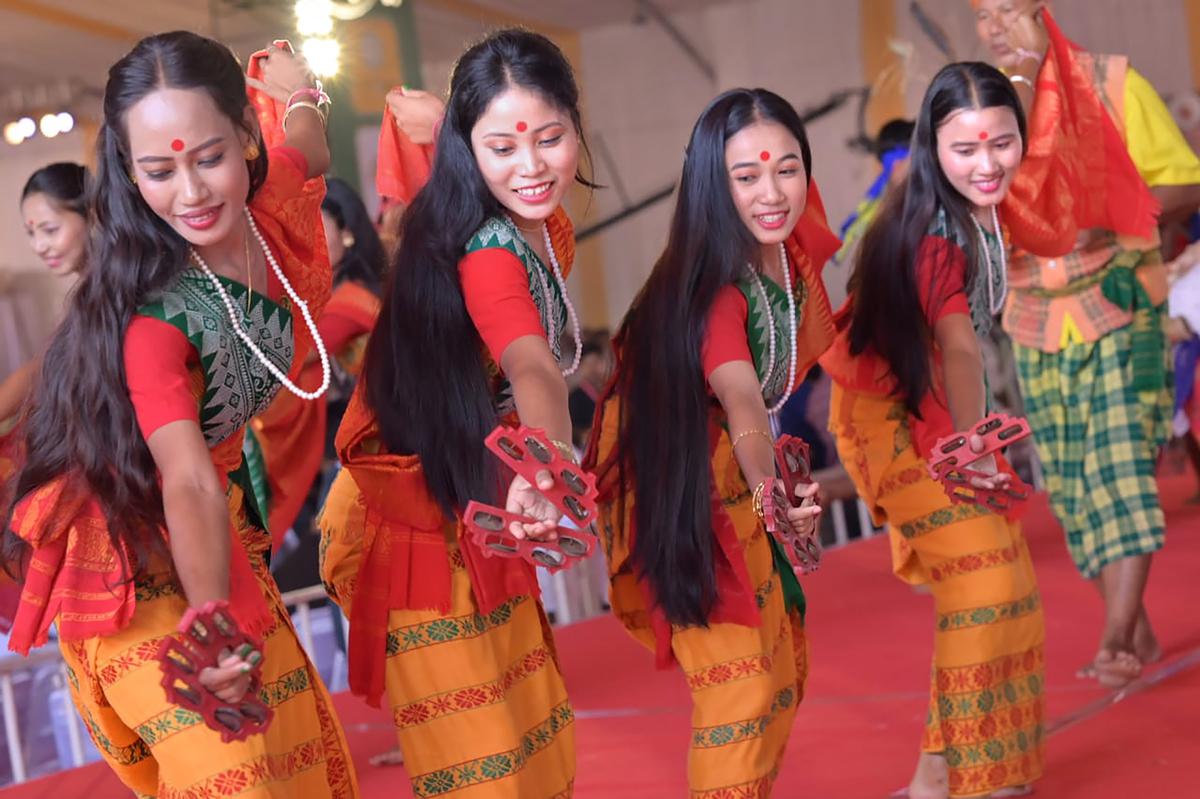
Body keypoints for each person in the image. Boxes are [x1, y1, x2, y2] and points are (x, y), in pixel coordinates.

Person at [1, 32, 358, 797]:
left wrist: (299, 90)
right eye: (159, 170)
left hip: (207, 532)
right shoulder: (152, 321)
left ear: (247, 139)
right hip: (133, 562)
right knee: (234, 777)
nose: (191, 192)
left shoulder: (270, 208)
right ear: (130, 174)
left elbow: (310, 147)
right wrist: (211, 631)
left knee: (296, 761)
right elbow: (187, 481)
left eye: (208, 158)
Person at [318, 29, 590, 798]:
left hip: (473, 493)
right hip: (403, 521)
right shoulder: (488, 248)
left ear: (578, 123)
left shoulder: (532, 219)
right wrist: (549, 465)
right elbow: (529, 362)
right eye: (501, 147)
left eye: (549, 138)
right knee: (484, 767)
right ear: (471, 154)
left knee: (537, 739)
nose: (531, 166)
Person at [585, 87, 833, 796]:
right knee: (743, 689)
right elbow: (742, 398)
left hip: (731, 493)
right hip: (689, 506)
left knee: (776, 676)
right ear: (710, 183)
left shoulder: (779, 266)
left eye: (787, 168)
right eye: (746, 176)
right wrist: (771, 490)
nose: (771, 191)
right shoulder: (711, 290)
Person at [823, 62, 1045, 799]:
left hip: (933, 407)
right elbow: (956, 343)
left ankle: (945, 775)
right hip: (894, 419)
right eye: (965, 149)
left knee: (1003, 576)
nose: (987, 164)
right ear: (932, 148)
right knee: (983, 580)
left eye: (1002, 143)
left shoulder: (976, 211)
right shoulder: (932, 231)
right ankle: (961, 781)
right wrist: (971, 442)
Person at [972, 0, 1200, 686]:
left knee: (1122, 467)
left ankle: (1113, 638)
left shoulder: (1110, 83)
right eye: (982, 15)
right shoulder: (980, 109)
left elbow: (1186, 181)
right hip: (1034, 323)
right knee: (1072, 488)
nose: (996, 27)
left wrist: (1104, 204)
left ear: (1044, 11)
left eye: (1009, 9)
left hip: (1122, 303)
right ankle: (1135, 625)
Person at [0, 163, 90, 426]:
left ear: (94, 215)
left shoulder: (114, 292)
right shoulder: (86, 293)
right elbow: (41, 365)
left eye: (50, 230)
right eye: (31, 233)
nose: (38, 246)